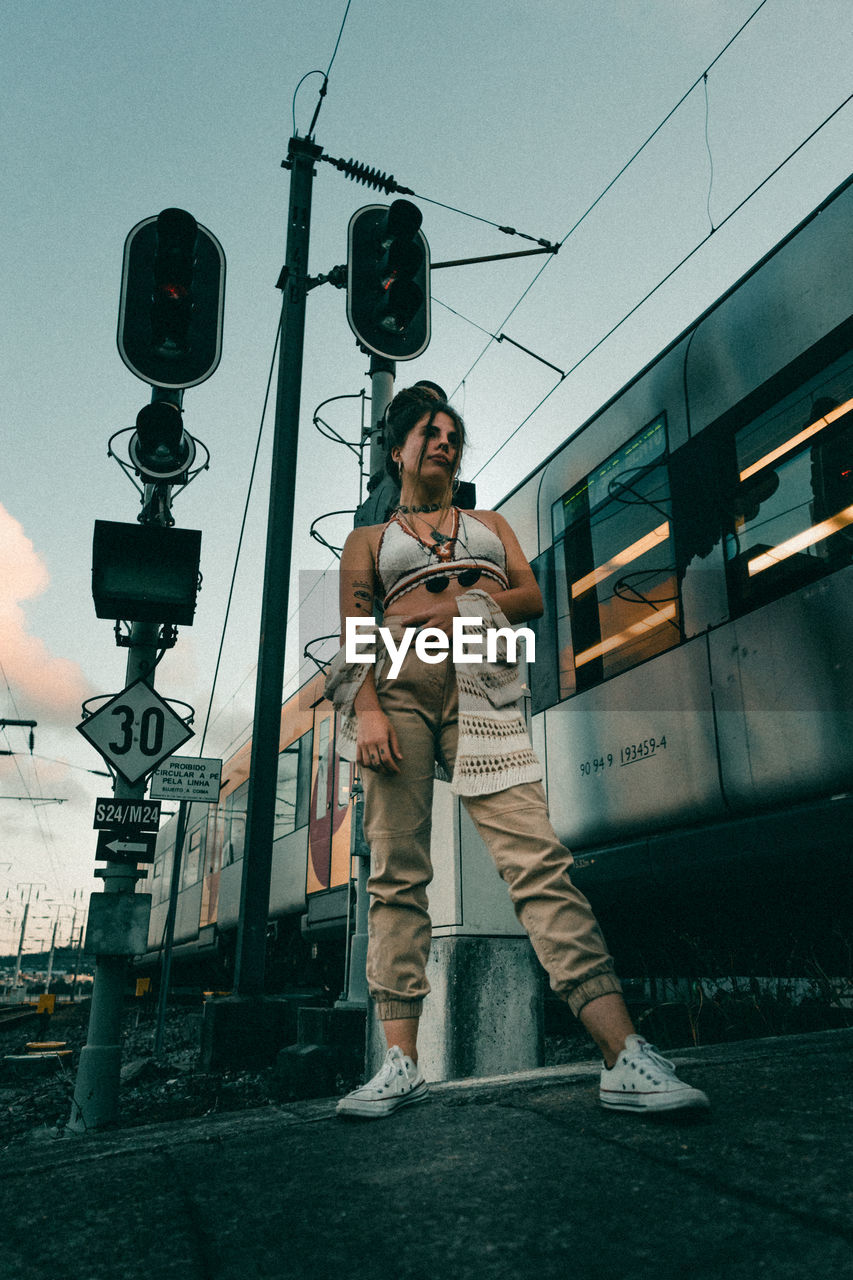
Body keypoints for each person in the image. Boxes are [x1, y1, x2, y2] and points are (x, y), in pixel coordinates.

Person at [326, 389, 709, 1119]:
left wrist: (439, 608)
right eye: (429, 432)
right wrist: (367, 709)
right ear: (398, 450)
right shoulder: (368, 544)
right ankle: (400, 1063)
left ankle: (622, 1054)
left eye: (452, 435)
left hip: (483, 691)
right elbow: (352, 637)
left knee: (536, 860)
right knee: (397, 876)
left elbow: (530, 594)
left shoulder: (490, 523)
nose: (444, 442)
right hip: (399, 697)